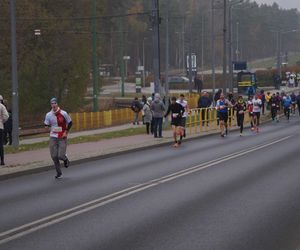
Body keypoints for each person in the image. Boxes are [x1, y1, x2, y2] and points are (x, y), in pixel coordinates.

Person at [44, 97, 72, 179]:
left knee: (60, 155)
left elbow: (70, 123)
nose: (53, 105)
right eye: (52, 104)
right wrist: (47, 127)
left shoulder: (63, 113)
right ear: (51, 105)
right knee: (54, 156)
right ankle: (59, 173)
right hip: (53, 136)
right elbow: (46, 124)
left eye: (55, 103)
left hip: (62, 136)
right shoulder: (48, 115)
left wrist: (66, 132)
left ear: (57, 104)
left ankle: (65, 159)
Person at [0, 95, 9, 165]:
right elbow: (6, 116)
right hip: (0, 127)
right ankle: (2, 160)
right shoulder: (2, 106)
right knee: (0, 144)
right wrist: (2, 121)